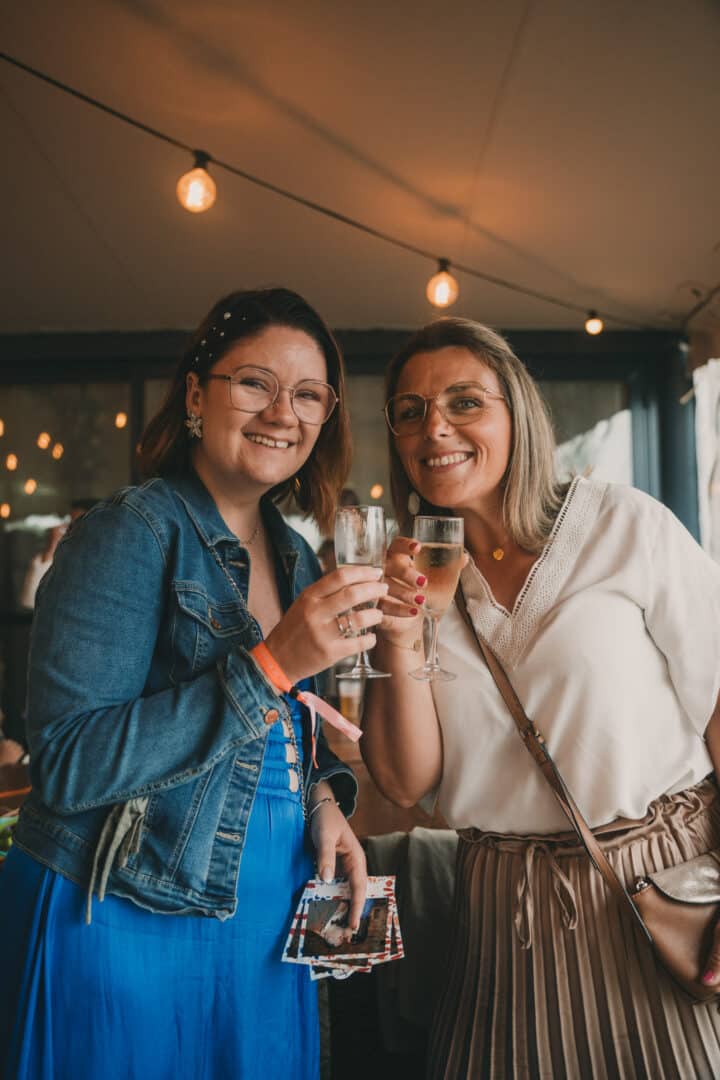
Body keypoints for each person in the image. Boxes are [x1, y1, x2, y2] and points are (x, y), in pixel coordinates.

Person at [0, 287, 386, 1079]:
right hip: (121, 912)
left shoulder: (295, 556)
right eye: (255, 382)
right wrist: (272, 661)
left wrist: (324, 807)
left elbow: (282, 734)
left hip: (264, 909)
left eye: (308, 394)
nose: (283, 411)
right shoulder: (128, 532)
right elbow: (69, 762)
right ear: (195, 395)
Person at [362, 316, 720, 1078]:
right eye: (411, 411)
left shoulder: (624, 525)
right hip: (504, 914)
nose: (436, 429)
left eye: (465, 403)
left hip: (659, 887)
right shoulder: (414, 575)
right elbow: (404, 781)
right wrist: (401, 632)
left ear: (516, 414)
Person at [19, 498, 96, 609]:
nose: (71, 529)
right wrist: (52, 546)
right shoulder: (63, 555)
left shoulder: (102, 560)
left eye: (78, 523)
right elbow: (30, 601)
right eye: (70, 524)